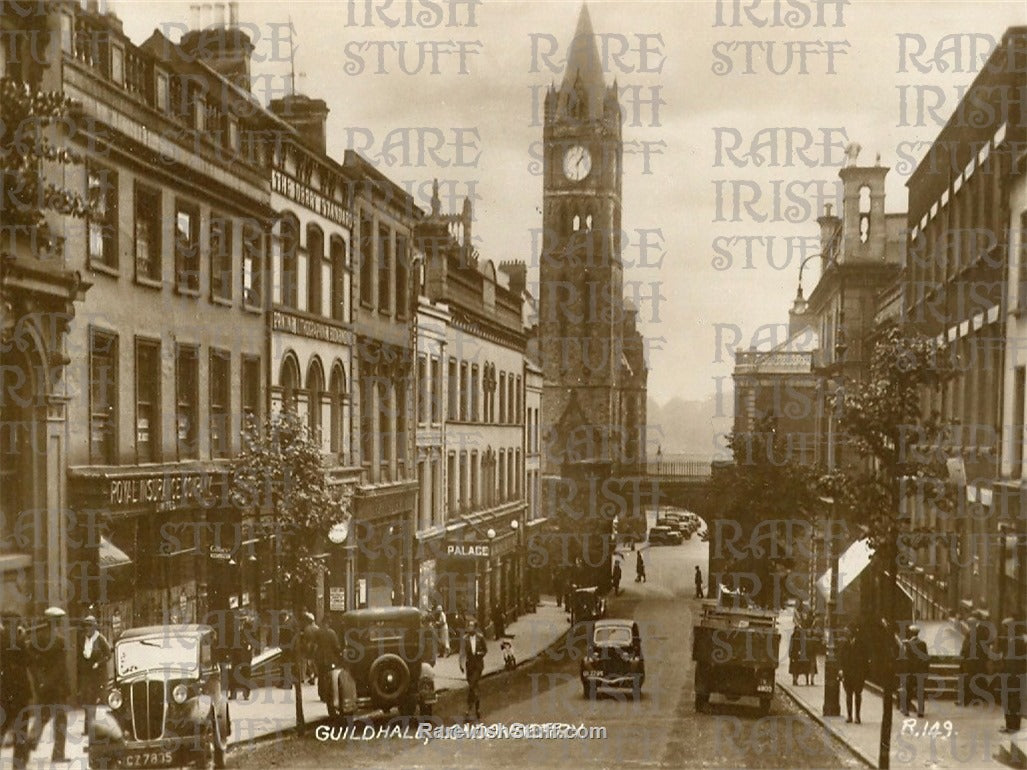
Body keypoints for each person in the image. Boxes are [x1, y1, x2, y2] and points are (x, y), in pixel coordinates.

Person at [29, 606, 71, 763]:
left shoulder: (35, 640)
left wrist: (40, 683)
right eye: (59, 620)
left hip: (42, 687)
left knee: (43, 716)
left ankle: (29, 742)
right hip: (57, 688)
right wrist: (51, 684)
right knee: (61, 720)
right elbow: (60, 668)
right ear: (55, 621)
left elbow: (32, 664)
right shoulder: (59, 641)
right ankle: (58, 754)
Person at [0, 616, 34, 769]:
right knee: (21, 730)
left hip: (2, 693)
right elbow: (28, 660)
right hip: (19, 692)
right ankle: (18, 765)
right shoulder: (18, 639)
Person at [78, 615, 111, 737]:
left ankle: (98, 728)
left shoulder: (100, 639)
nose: (87, 629)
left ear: (94, 627)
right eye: (85, 626)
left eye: (89, 626)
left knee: (98, 701)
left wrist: (98, 663)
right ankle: (87, 728)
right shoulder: (82, 640)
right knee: (87, 700)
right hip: (88, 675)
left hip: (99, 675)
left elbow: (108, 655)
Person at [998, 619, 1027, 733]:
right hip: (1007, 675)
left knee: (1014, 701)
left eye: (1006, 627)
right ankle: (1009, 725)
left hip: (1016, 676)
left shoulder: (1020, 641)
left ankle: (1015, 726)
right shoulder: (1008, 640)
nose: (1005, 630)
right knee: (1007, 701)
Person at [839, 624, 869, 724]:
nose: (846, 634)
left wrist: (864, 674)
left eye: (847, 632)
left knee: (858, 694)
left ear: (852, 633)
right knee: (848, 694)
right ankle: (849, 716)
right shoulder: (845, 644)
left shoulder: (861, 644)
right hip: (848, 674)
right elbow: (841, 658)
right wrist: (841, 670)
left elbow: (865, 660)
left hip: (858, 674)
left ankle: (857, 716)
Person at [459, 617, 488, 721]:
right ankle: (477, 709)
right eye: (469, 626)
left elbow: (485, 650)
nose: (469, 628)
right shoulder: (465, 639)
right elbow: (462, 653)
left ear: (475, 628)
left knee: (472, 685)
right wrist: (461, 665)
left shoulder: (480, 638)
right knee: (474, 687)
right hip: (469, 666)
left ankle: (468, 709)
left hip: (478, 666)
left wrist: (481, 654)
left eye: (471, 626)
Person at [900, 624, 929, 718]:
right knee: (920, 691)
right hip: (920, 672)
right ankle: (921, 711)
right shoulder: (923, 644)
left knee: (908, 691)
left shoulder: (908, 644)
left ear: (910, 633)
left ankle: (906, 710)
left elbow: (905, 660)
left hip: (910, 672)